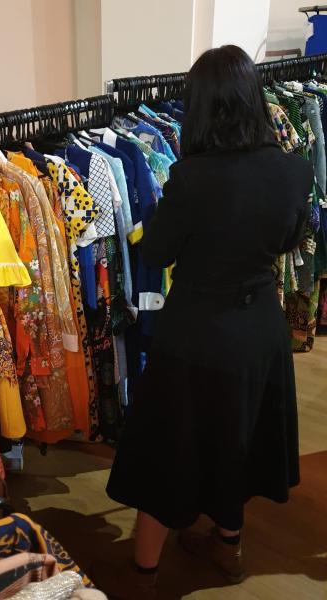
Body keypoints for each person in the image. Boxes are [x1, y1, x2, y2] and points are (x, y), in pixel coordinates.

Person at [105, 45, 313, 599]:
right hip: (261, 329)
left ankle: (143, 575)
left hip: (197, 333)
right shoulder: (292, 169)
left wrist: (147, 227)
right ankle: (229, 549)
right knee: (238, 436)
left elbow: (159, 252)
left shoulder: (192, 176)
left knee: (168, 450)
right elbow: (293, 238)